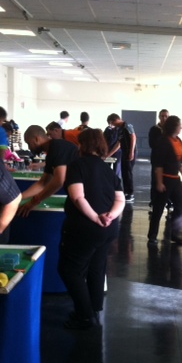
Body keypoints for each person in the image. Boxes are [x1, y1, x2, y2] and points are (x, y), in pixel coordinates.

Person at [58, 128, 125, 330]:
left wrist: (96, 217)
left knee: (70, 270)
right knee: (97, 267)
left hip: (84, 228)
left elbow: (78, 197)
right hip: (109, 229)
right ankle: (94, 308)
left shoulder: (77, 166)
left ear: (82, 145)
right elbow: (120, 199)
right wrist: (109, 216)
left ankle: (84, 315)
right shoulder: (108, 169)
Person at [17, 125, 79, 217]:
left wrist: (33, 202)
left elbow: (59, 181)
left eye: (29, 143)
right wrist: (18, 198)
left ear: (37, 139)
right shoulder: (51, 152)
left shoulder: (57, 147)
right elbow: (43, 183)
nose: (29, 148)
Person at [147, 115, 182, 246]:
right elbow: (158, 165)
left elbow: (180, 162)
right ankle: (152, 235)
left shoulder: (179, 141)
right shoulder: (163, 141)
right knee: (158, 208)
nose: (181, 127)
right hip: (165, 179)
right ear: (174, 126)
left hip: (175, 180)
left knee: (180, 206)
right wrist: (159, 182)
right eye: (179, 125)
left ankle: (176, 234)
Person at [107, 113, 136, 202]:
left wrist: (131, 152)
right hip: (124, 152)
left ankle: (130, 193)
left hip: (130, 151)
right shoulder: (120, 130)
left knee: (128, 173)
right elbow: (118, 144)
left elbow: (133, 137)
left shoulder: (128, 126)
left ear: (115, 120)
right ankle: (126, 192)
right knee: (124, 173)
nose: (112, 125)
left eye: (112, 123)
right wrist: (109, 154)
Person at [148, 109, 170, 208]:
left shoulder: (171, 129)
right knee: (155, 180)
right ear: (159, 117)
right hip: (157, 159)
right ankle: (154, 201)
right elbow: (152, 144)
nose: (164, 118)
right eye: (162, 116)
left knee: (168, 181)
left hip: (168, 160)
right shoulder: (154, 129)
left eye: (166, 116)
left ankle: (168, 201)